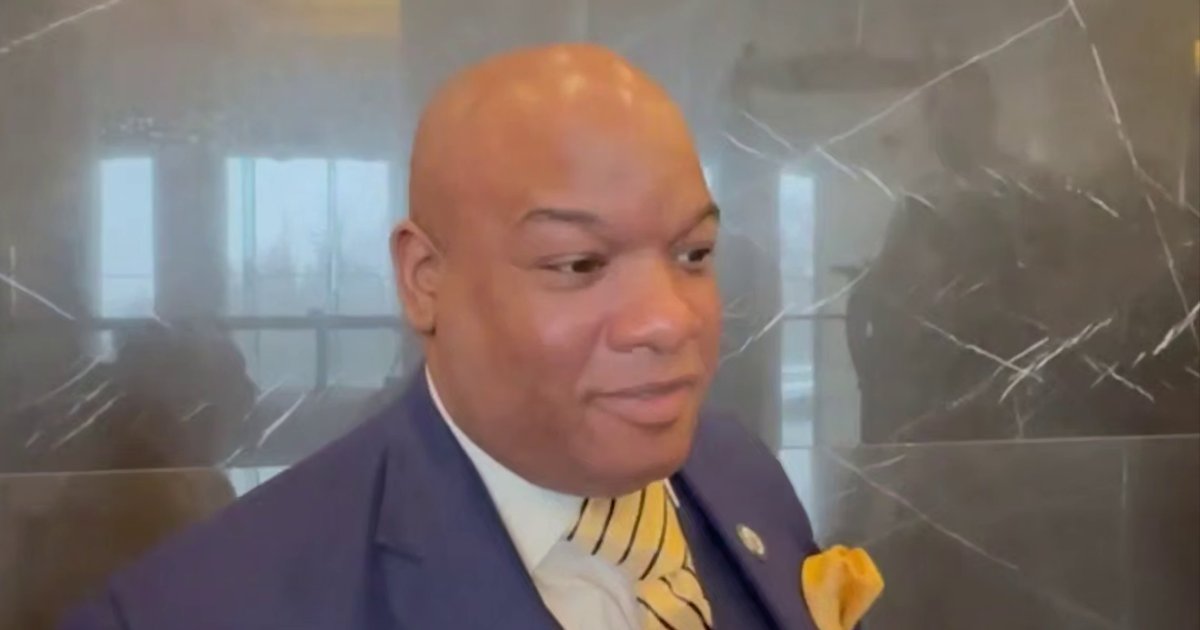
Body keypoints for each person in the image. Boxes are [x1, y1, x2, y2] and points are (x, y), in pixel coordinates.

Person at [61, 44, 878, 630]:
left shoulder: (739, 472)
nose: (668, 319)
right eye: (578, 263)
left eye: (692, 253)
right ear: (425, 278)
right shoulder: (202, 607)